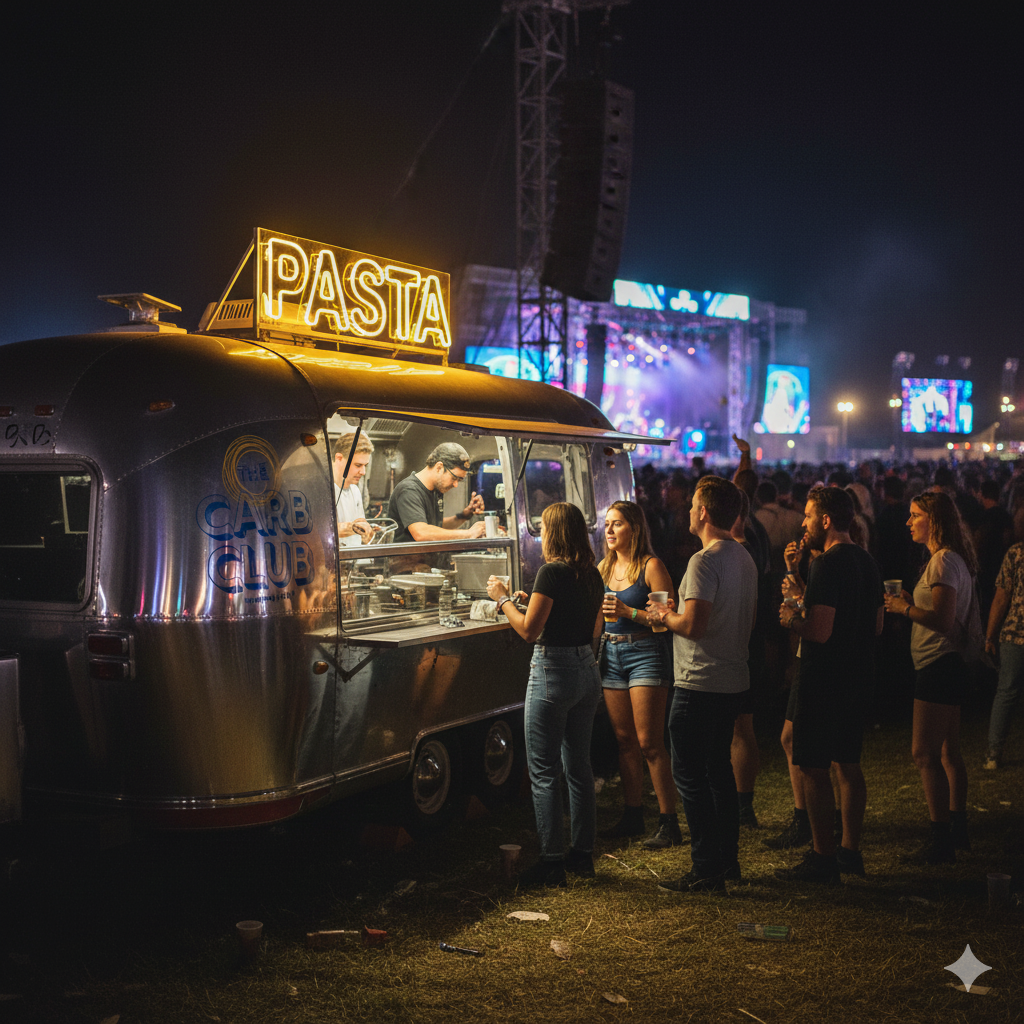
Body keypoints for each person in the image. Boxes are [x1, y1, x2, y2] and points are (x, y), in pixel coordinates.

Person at [486, 502, 605, 887]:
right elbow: (585, 623)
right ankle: (583, 854)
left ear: (552, 533)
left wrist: (503, 599)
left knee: (543, 771)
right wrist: (529, 603)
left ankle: (552, 862)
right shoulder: (591, 573)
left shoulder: (550, 572)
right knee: (580, 766)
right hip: (586, 668)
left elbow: (528, 632)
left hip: (553, 671)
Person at [647, 476, 756, 893]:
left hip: (700, 681)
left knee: (690, 774)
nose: (689, 511)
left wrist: (664, 618)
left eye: (693, 505)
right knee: (718, 772)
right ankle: (727, 861)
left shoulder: (703, 561)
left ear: (704, 512)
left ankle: (706, 866)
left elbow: (693, 625)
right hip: (732, 679)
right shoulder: (742, 557)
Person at [775, 487, 883, 884]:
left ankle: (822, 856)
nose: (802, 523)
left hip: (823, 678)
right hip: (858, 674)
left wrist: (790, 620)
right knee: (849, 764)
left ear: (825, 520)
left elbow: (818, 631)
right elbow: (877, 625)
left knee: (814, 766)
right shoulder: (868, 562)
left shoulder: (827, 565)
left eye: (807, 516)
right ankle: (850, 851)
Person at [883, 491, 976, 864]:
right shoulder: (949, 560)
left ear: (933, 520)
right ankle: (957, 827)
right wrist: (912, 600)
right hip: (948, 664)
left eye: (915, 515)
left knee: (923, 753)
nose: (908, 522)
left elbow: (942, 619)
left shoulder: (942, 562)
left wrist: (905, 608)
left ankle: (941, 840)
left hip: (939, 664)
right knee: (948, 752)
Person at [595, 500, 680, 849]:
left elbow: (666, 622)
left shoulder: (651, 566)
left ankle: (669, 821)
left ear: (635, 528)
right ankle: (632, 815)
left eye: (618, 524)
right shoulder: (604, 567)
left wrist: (629, 610)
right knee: (624, 739)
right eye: (607, 524)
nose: (610, 530)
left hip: (645, 653)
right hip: (611, 654)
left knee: (650, 742)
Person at [389, 442, 487, 544]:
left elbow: (436, 527)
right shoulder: (409, 490)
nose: (455, 484)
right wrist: (469, 534)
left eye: (459, 480)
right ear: (439, 467)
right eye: (454, 478)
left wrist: (464, 516)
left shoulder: (435, 491)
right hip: (407, 559)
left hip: (430, 559)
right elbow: (422, 533)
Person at [984, 542, 1024, 769]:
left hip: (1014, 632)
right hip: (1016, 633)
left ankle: (993, 753)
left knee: (1007, 692)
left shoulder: (1017, 552)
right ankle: (993, 751)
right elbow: (1001, 597)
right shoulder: (1016, 552)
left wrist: (991, 636)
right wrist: (989, 636)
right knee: (1007, 692)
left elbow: (1002, 596)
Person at [333, 431, 376, 546]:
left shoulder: (355, 491)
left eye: (365, 466)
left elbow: (360, 525)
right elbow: (322, 531)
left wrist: (367, 534)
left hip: (353, 560)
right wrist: (352, 527)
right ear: (339, 458)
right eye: (358, 465)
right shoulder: (322, 490)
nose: (363, 472)